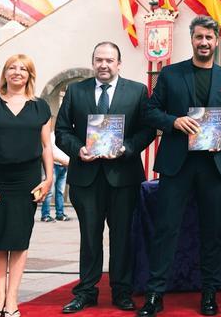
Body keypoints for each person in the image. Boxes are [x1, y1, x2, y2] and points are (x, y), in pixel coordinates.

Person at [141, 16, 221, 317]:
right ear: (192, 39)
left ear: (216, 42)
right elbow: (150, 111)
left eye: (209, 38)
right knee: (166, 230)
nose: (204, 43)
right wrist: (173, 121)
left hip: (212, 165)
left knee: (211, 232)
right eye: (199, 37)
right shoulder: (171, 75)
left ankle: (209, 294)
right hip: (177, 164)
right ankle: (154, 295)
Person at [55, 42, 156, 313]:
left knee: (122, 237)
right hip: (86, 177)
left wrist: (128, 148)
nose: (104, 65)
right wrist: (78, 150)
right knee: (89, 237)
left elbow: (147, 130)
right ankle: (86, 291)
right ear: (93, 62)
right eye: (99, 60)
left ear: (118, 64)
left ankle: (121, 291)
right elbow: (62, 130)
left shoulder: (137, 91)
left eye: (109, 60)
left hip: (123, 176)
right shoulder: (76, 91)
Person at [0, 54, 54, 317]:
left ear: (30, 75)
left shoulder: (40, 107)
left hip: (26, 180)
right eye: (12, 68)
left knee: (19, 240)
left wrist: (49, 178)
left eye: (23, 69)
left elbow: (46, 147)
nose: (17, 72)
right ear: (4, 73)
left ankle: (12, 299)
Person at [40, 136, 69, 223]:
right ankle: (45, 215)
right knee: (49, 192)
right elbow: (47, 151)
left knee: (60, 192)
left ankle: (60, 214)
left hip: (64, 167)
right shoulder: (51, 135)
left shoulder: (65, 135)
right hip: (53, 165)